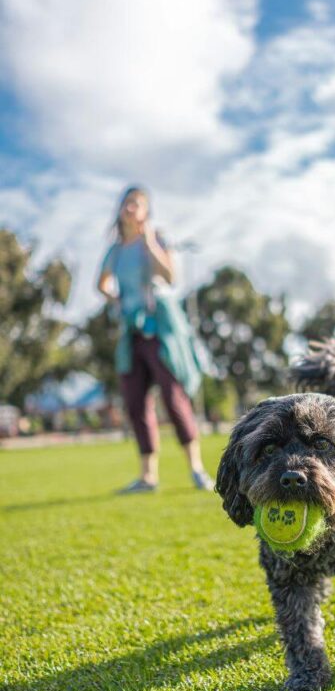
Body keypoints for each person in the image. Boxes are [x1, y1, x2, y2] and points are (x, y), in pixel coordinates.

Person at [97, 185, 213, 493]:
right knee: (136, 403)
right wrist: (116, 301)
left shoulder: (156, 238)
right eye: (127, 202)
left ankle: (197, 469)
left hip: (159, 329)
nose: (131, 207)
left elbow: (171, 277)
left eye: (137, 203)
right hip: (131, 332)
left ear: (146, 211)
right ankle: (148, 476)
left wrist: (149, 241)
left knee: (173, 398)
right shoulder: (116, 250)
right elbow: (102, 284)